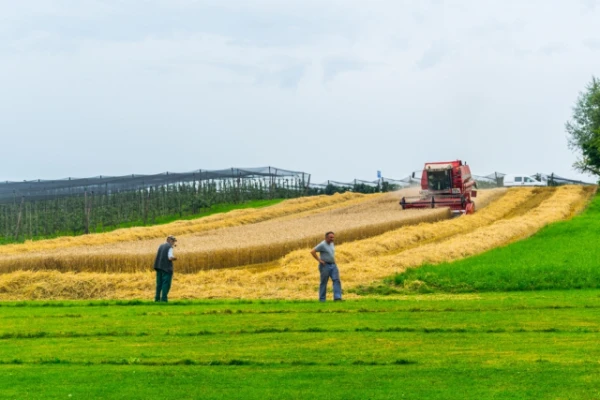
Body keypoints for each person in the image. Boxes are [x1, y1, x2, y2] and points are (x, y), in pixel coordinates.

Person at [310, 231, 342, 302]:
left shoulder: (332, 244)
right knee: (324, 282)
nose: (332, 239)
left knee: (336, 280)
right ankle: (322, 299)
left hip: (333, 265)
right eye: (331, 237)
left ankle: (337, 298)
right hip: (325, 266)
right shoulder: (322, 244)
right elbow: (312, 251)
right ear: (326, 237)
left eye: (333, 237)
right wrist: (319, 260)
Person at [153, 235, 177, 302]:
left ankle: (157, 299)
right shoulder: (170, 247)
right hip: (166, 268)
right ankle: (163, 299)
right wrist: (175, 258)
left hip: (158, 267)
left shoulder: (161, 246)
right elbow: (170, 257)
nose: (174, 243)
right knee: (166, 284)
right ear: (169, 240)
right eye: (173, 241)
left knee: (159, 284)